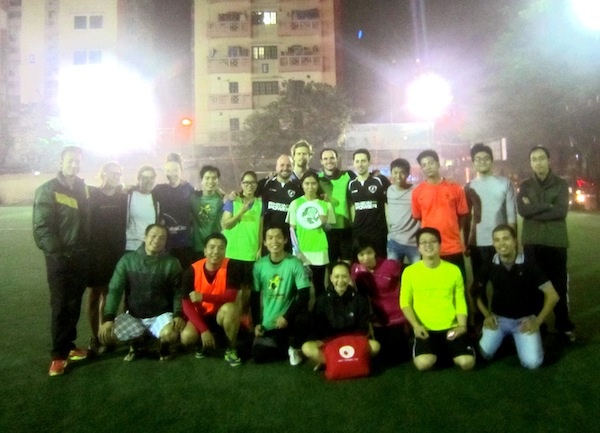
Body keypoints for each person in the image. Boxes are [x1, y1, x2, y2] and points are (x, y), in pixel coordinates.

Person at [33, 146, 91, 376]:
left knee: (74, 303)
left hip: (80, 257)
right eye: (70, 160)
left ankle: (69, 346)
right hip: (60, 259)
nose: (74, 165)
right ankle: (58, 356)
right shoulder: (48, 190)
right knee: (60, 305)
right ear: (61, 162)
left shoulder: (82, 188)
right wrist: (58, 254)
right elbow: (42, 229)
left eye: (78, 161)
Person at [473, 225, 559, 369]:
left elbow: (552, 296)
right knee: (484, 354)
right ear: (493, 243)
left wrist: (537, 322)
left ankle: (521, 339)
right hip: (498, 319)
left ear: (514, 241)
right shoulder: (489, 263)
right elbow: (474, 292)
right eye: (497, 240)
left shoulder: (529, 263)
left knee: (533, 363)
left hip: (524, 321)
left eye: (506, 239)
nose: (501, 243)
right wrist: (486, 315)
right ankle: (508, 339)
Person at [98, 224, 185, 361]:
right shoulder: (127, 260)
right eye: (153, 236)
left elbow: (178, 292)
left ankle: (163, 346)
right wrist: (108, 318)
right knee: (108, 334)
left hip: (161, 315)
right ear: (144, 237)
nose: (157, 240)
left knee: (170, 334)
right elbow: (115, 290)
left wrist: (178, 313)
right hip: (135, 316)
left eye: (162, 238)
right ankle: (137, 341)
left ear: (165, 241)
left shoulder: (172, 263)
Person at [517, 145, 575, 341]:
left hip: (555, 242)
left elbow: (561, 211)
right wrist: (547, 205)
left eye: (541, 158)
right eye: (534, 159)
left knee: (559, 286)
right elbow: (522, 211)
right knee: (534, 287)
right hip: (532, 242)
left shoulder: (561, 184)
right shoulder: (525, 185)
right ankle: (538, 325)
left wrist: (534, 209)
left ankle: (563, 325)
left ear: (549, 160)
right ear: (530, 163)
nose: (538, 162)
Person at [400, 227, 475, 371]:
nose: (428, 245)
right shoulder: (409, 272)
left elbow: (460, 301)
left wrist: (462, 326)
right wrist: (416, 326)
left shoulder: (454, 270)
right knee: (423, 364)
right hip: (425, 329)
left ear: (440, 245)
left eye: (433, 241)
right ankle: (441, 351)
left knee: (467, 363)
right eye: (423, 242)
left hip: (451, 328)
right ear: (418, 248)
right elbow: (405, 302)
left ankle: (445, 350)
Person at [180, 233, 243, 366]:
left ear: (225, 250)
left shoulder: (232, 266)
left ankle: (231, 348)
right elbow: (186, 304)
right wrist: (204, 330)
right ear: (205, 250)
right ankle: (203, 343)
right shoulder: (192, 270)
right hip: (201, 315)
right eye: (212, 247)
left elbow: (230, 296)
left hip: (221, 315)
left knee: (231, 308)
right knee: (186, 337)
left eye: (221, 248)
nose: (216, 251)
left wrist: (203, 296)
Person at [302, 262, 380, 369]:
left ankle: (336, 363)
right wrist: (330, 340)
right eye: (336, 277)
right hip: (330, 341)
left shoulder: (359, 299)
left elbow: (363, 327)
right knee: (307, 347)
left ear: (350, 277)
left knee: (375, 346)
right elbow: (317, 327)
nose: (340, 281)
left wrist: (348, 340)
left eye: (344, 276)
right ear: (331, 278)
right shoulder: (322, 300)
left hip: (353, 341)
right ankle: (342, 362)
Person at [251, 225, 311, 365]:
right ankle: (285, 347)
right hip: (270, 322)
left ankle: (294, 347)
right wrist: (256, 323)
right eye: (270, 238)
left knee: (304, 318)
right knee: (258, 355)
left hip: (289, 319)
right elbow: (254, 297)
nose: (274, 241)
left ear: (285, 240)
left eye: (278, 237)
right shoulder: (259, 266)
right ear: (265, 242)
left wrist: (286, 317)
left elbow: (304, 295)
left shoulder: (295, 263)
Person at [86, 162, 127, 355]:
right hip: (95, 253)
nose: (116, 176)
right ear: (103, 173)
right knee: (95, 293)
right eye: (112, 173)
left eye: (118, 173)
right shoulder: (92, 194)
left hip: (116, 252)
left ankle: (105, 333)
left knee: (109, 293)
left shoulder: (122, 196)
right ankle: (95, 337)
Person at [464, 143, 517, 287]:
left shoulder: (505, 183)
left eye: (486, 158)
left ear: (492, 160)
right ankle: (480, 303)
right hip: (477, 243)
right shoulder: (469, 187)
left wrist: (513, 241)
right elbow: (466, 218)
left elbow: (511, 216)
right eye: (478, 159)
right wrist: (466, 242)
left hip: (501, 242)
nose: (482, 162)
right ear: (473, 163)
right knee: (479, 285)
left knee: (504, 284)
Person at [412, 150, 469, 281]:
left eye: (431, 163)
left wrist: (457, 235)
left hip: (453, 247)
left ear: (438, 164)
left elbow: (462, 216)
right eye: (424, 165)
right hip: (429, 248)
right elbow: (419, 217)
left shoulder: (455, 188)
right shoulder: (417, 192)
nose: (428, 167)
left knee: (458, 286)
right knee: (431, 288)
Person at [351, 237, 409, 364]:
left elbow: (408, 278)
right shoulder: (356, 270)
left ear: (375, 252)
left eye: (369, 253)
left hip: (397, 315)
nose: (366, 258)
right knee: (381, 355)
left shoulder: (390, 265)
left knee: (401, 356)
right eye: (361, 254)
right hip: (377, 318)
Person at [287, 171, 336, 297]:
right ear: (302, 185)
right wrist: (297, 251)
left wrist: (324, 223)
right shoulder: (295, 204)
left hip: (319, 250)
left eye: (313, 183)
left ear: (318, 184)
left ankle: (319, 309)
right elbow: (292, 230)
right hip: (302, 251)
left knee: (320, 286)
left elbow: (329, 229)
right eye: (307, 183)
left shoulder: (325, 204)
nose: (310, 187)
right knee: (302, 288)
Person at [221, 170, 263, 317]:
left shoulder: (260, 204)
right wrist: (241, 212)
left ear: (256, 185)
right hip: (232, 253)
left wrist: (259, 248)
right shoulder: (233, 201)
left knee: (247, 290)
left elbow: (261, 228)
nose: (249, 185)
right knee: (233, 291)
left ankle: (244, 318)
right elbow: (226, 224)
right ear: (241, 184)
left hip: (250, 253)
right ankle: (233, 318)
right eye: (246, 182)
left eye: (252, 182)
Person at [153, 153, 195, 267]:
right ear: (164, 171)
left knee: (185, 272)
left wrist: (221, 193)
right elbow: (143, 192)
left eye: (175, 170)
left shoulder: (188, 188)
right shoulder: (159, 189)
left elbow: (204, 195)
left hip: (185, 242)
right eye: (168, 170)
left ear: (181, 170)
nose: (172, 174)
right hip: (165, 242)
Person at [348, 148, 389, 258]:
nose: (360, 164)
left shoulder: (380, 181)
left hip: (378, 232)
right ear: (353, 163)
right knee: (361, 262)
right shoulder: (351, 184)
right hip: (359, 232)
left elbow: (387, 205)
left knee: (379, 261)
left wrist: (389, 229)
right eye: (357, 161)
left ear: (369, 162)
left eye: (363, 161)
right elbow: (352, 206)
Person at [318, 148, 356, 263]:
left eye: (332, 158)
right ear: (321, 161)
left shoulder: (348, 175)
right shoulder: (317, 179)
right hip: (327, 230)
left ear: (337, 159)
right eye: (325, 159)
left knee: (347, 264)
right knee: (330, 265)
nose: (329, 161)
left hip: (346, 229)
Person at [259, 155, 303, 251]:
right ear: (276, 167)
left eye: (288, 165)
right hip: (269, 238)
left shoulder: (299, 187)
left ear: (293, 167)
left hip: (289, 238)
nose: (285, 168)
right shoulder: (266, 184)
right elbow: (247, 193)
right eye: (282, 165)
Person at [386, 158, 420, 265]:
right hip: (394, 242)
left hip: (413, 243)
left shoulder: (416, 191)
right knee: (392, 272)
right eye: (395, 172)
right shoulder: (389, 190)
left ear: (408, 174)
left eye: (402, 173)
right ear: (391, 173)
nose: (398, 176)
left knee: (417, 273)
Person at [190, 165, 224, 260]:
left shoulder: (222, 201)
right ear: (202, 180)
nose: (210, 181)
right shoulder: (192, 199)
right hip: (197, 247)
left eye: (214, 178)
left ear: (218, 181)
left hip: (215, 249)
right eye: (207, 178)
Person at [125, 165, 160, 252]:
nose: (148, 181)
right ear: (138, 179)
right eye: (145, 178)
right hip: (131, 247)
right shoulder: (128, 195)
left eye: (151, 178)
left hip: (150, 247)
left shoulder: (156, 198)